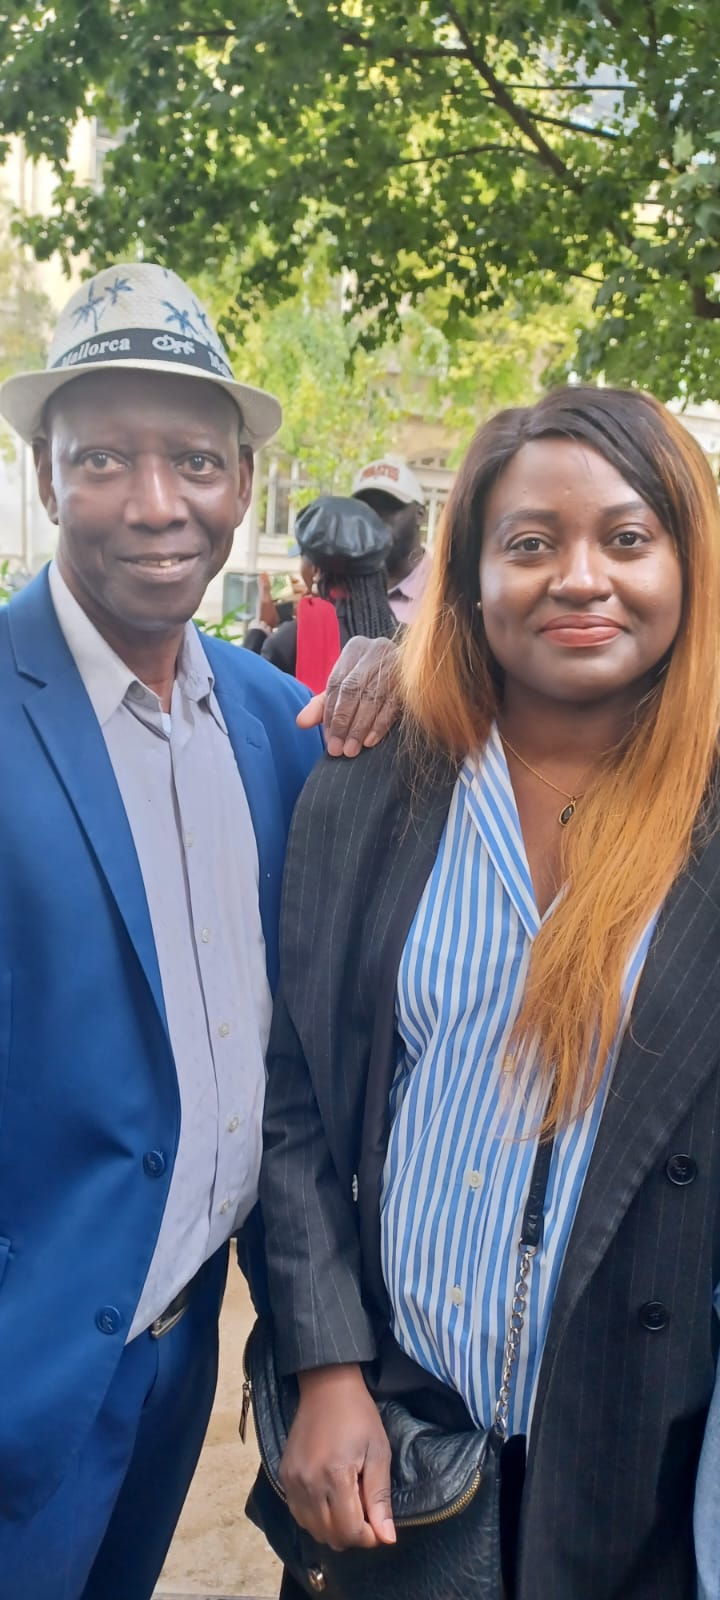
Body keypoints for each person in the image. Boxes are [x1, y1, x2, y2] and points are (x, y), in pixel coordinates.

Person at [258, 386, 720, 1599]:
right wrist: (327, 1365)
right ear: (467, 579)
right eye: (530, 542)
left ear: (688, 563)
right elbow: (293, 1096)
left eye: (629, 537)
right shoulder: (372, 784)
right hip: (402, 1446)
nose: (581, 577)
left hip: (646, 1464)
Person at [0, 261, 394, 1600]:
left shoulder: (280, 724)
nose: (157, 502)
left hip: (176, 1361)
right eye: (104, 459)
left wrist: (414, 665)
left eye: (196, 461)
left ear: (242, 481)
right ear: (48, 477)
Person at [247, 496, 398, 690]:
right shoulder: (403, 637)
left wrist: (259, 630)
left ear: (315, 570)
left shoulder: (287, 642)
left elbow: (241, 696)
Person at [352, 455, 431, 622]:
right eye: (364, 509)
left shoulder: (447, 591)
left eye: (388, 506)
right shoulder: (342, 588)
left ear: (420, 515)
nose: (374, 518)